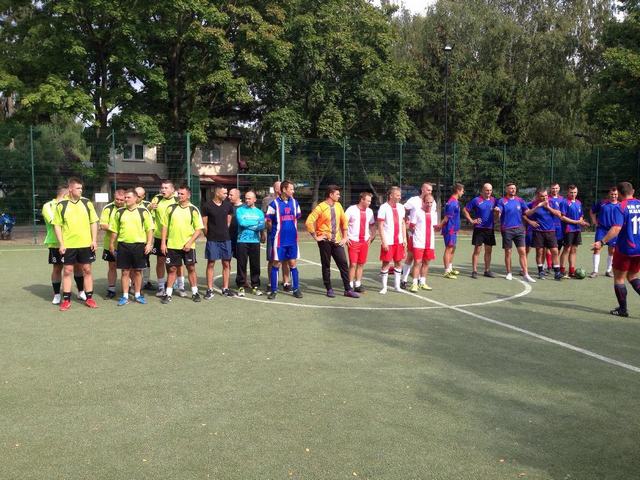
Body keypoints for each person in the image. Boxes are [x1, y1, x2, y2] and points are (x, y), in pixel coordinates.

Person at [52, 177, 100, 311]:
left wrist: (94, 240)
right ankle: (66, 300)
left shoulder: (87, 203)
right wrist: (61, 244)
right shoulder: (61, 205)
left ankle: (89, 298)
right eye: (78, 188)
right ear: (70, 189)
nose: (81, 190)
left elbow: (93, 222)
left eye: (81, 188)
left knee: (87, 270)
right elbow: (57, 225)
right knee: (67, 271)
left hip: (86, 244)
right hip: (69, 245)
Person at [594, 182, 640, 317]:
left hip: (626, 248)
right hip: (639, 249)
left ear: (619, 193)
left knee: (619, 278)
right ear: (633, 191)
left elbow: (616, 228)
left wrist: (602, 242)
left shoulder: (621, 207)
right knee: (632, 276)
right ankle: (622, 309)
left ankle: (623, 309)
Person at [305, 185, 360, 298]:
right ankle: (329, 288)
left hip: (337, 241)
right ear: (330, 195)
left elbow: (344, 222)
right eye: (337, 194)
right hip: (325, 241)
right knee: (326, 265)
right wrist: (316, 237)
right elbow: (309, 222)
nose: (339, 196)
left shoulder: (338, 206)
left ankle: (348, 289)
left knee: (343, 264)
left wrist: (345, 237)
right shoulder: (321, 207)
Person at [108, 189, 154, 305]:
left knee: (138, 271)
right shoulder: (119, 212)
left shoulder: (144, 211)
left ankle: (137, 294)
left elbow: (149, 229)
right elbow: (114, 230)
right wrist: (112, 244)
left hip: (139, 246)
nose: (125, 199)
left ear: (135, 198)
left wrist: (149, 243)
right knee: (125, 272)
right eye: (125, 197)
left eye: (128, 197)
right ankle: (125, 296)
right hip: (123, 245)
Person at [160, 186, 204, 304]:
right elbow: (164, 226)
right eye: (178, 193)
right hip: (172, 246)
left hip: (188, 246)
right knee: (172, 269)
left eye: (182, 194)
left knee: (191, 268)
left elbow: (198, 229)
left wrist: (190, 242)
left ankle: (195, 292)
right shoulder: (171, 208)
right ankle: (168, 294)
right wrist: (163, 243)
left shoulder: (193, 209)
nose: (179, 196)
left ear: (188, 195)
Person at [265, 180, 303, 300]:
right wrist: (274, 233)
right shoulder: (274, 204)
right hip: (279, 240)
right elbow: (268, 221)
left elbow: (297, 217)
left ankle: (296, 289)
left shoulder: (295, 203)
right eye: (291, 189)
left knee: (293, 263)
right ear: (284, 189)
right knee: (276, 263)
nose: (293, 191)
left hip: (292, 240)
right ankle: (274, 290)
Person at [494, 183, 536, 283]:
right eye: (511, 188)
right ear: (506, 190)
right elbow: (498, 215)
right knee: (508, 252)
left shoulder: (520, 200)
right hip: (507, 230)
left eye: (514, 188)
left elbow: (527, 212)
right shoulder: (502, 201)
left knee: (522, 251)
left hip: (520, 229)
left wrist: (538, 207)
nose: (513, 190)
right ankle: (509, 273)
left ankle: (526, 274)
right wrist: (497, 211)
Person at [42, 185, 76, 305]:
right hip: (55, 244)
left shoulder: (71, 205)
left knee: (77, 267)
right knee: (57, 268)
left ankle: (81, 291)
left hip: (72, 242)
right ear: (65, 194)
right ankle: (57, 294)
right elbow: (55, 222)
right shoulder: (48, 206)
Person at [401, 182, 437, 288]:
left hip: (426, 236)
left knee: (423, 260)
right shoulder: (414, 200)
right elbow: (403, 208)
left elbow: (431, 218)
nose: (430, 192)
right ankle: (404, 280)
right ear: (422, 189)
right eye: (428, 190)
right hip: (414, 234)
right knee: (411, 257)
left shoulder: (432, 202)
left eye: (431, 190)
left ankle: (420, 281)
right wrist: (406, 218)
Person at [201, 184, 234, 299]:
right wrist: (210, 236)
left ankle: (225, 288)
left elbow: (228, 222)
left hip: (226, 239)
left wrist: (223, 232)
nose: (227, 195)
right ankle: (209, 289)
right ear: (217, 193)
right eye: (224, 193)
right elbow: (204, 226)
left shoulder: (228, 205)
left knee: (226, 263)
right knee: (211, 263)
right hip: (212, 240)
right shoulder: (207, 206)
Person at [148, 180, 179, 297]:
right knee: (160, 261)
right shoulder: (157, 199)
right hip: (159, 236)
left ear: (172, 190)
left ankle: (177, 285)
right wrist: (150, 207)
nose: (163, 190)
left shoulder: (177, 200)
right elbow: (148, 213)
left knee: (175, 263)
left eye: (166, 188)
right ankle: (161, 287)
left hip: (174, 237)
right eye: (162, 188)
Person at [525, 188, 563, 280]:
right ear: (538, 196)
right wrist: (530, 221)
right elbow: (525, 214)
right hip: (538, 232)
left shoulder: (552, 203)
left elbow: (559, 214)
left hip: (551, 231)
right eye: (542, 196)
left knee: (554, 251)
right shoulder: (532, 204)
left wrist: (548, 207)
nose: (545, 197)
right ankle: (540, 271)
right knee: (539, 252)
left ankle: (557, 272)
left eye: (546, 195)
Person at [463, 183, 497, 279]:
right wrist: (471, 220)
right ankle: (474, 271)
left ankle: (487, 270)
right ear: (482, 190)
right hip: (479, 229)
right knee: (477, 250)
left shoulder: (494, 200)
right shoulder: (476, 200)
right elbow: (465, 210)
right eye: (487, 190)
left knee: (489, 250)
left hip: (490, 229)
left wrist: (497, 213)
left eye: (490, 190)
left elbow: (498, 211)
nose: (489, 192)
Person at [377, 186, 407, 294]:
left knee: (398, 262)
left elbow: (403, 223)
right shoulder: (383, 207)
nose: (400, 197)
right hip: (388, 241)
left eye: (400, 195)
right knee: (386, 263)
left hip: (399, 241)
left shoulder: (401, 207)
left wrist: (404, 238)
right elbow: (380, 226)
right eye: (397, 195)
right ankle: (384, 287)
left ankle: (397, 286)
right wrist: (384, 241)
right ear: (391, 196)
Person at [235, 191, 265, 296]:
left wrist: (251, 225)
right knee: (241, 264)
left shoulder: (259, 212)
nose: (247, 200)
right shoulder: (240, 210)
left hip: (255, 241)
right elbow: (241, 223)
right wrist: (255, 224)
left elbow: (261, 225)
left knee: (255, 265)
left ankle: (255, 286)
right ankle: (241, 286)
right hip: (242, 241)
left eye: (249, 198)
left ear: (254, 199)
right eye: (246, 198)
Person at [345, 192, 376, 293]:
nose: (369, 203)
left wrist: (372, 236)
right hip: (353, 241)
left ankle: (358, 284)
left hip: (364, 242)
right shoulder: (351, 209)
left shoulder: (370, 211)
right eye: (368, 201)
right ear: (362, 200)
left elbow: (372, 225)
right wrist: (345, 237)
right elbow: (343, 223)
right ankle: (349, 285)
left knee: (361, 263)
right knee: (353, 264)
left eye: (370, 201)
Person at [263, 180, 291, 291]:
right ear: (276, 189)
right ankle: (271, 283)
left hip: (286, 236)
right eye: (281, 187)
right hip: (273, 235)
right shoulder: (268, 200)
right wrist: (269, 231)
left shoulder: (289, 200)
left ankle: (286, 282)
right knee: (272, 259)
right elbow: (265, 218)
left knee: (286, 259)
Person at [99, 188, 125, 298]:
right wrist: (116, 229)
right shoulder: (108, 208)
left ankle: (127, 289)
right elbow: (103, 225)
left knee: (127, 268)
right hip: (110, 244)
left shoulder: (129, 207)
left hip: (126, 244)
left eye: (121, 200)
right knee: (112, 266)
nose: (119, 201)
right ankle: (111, 289)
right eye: (117, 199)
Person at [559, 184, 590, 278]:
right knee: (567, 249)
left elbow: (581, 215)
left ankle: (571, 271)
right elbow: (563, 217)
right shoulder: (564, 202)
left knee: (574, 249)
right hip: (568, 229)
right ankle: (562, 271)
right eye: (571, 192)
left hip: (577, 229)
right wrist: (576, 222)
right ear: (568, 192)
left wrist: (581, 222)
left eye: (575, 192)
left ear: (577, 192)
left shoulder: (578, 202)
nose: (573, 194)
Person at [407, 193, 436, 292]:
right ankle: (414, 284)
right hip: (419, 242)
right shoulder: (417, 212)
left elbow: (435, 228)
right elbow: (411, 227)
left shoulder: (434, 213)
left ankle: (422, 283)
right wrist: (413, 230)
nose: (429, 204)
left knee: (426, 262)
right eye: (427, 202)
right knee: (417, 262)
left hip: (430, 243)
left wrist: (444, 222)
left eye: (431, 202)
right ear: (423, 202)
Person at [436, 183, 464, 279]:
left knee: (453, 248)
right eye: (462, 191)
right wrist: (440, 226)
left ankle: (450, 268)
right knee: (449, 249)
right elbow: (447, 217)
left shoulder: (455, 201)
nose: (463, 192)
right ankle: (446, 271)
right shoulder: (452, 203)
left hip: (454, 229)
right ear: (458, 190)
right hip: (450, 229)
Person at [590, 187, 619, 278]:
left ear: (618, 195)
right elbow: (592, 211)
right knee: (597, 248)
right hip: (601, 230)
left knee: (612, 251)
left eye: (615, 194)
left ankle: (608, 271)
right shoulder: (602, 203)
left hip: (613, 231)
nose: (613, 196)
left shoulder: (620, 205)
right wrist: (594, 221)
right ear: (609, 194)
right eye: (612, 194)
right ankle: (595, 271)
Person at [135, 185, 154, 290]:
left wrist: (149, 242)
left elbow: (152, 222)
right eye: (135, 194)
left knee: (146, 260)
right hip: (130, 239)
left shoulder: (148, 205)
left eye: (138, 196)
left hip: (144, 239)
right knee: (131, 262)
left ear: (143, 197)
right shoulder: (127, 203)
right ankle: (131, 283)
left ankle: (146, 281)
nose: (136, 197)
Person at [547, 183, 564, 270]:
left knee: (558, 246)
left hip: (560, 226)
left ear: (559, 188)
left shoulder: (562, 199)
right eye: (553, 188)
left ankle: (555, 264)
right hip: (550, 226)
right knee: (549, 246)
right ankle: (549, 265)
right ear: (550, 189)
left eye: (556, 188)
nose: (555, 190)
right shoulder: (547, 199)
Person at [228, 187, 243, 260]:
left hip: (241, 238)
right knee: (226, 260)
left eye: (231, 195)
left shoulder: (244, 208)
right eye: (229, 195)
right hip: (229, 238)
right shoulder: (227, 207)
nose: (229, 197)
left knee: (241, 260)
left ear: (237, 195)